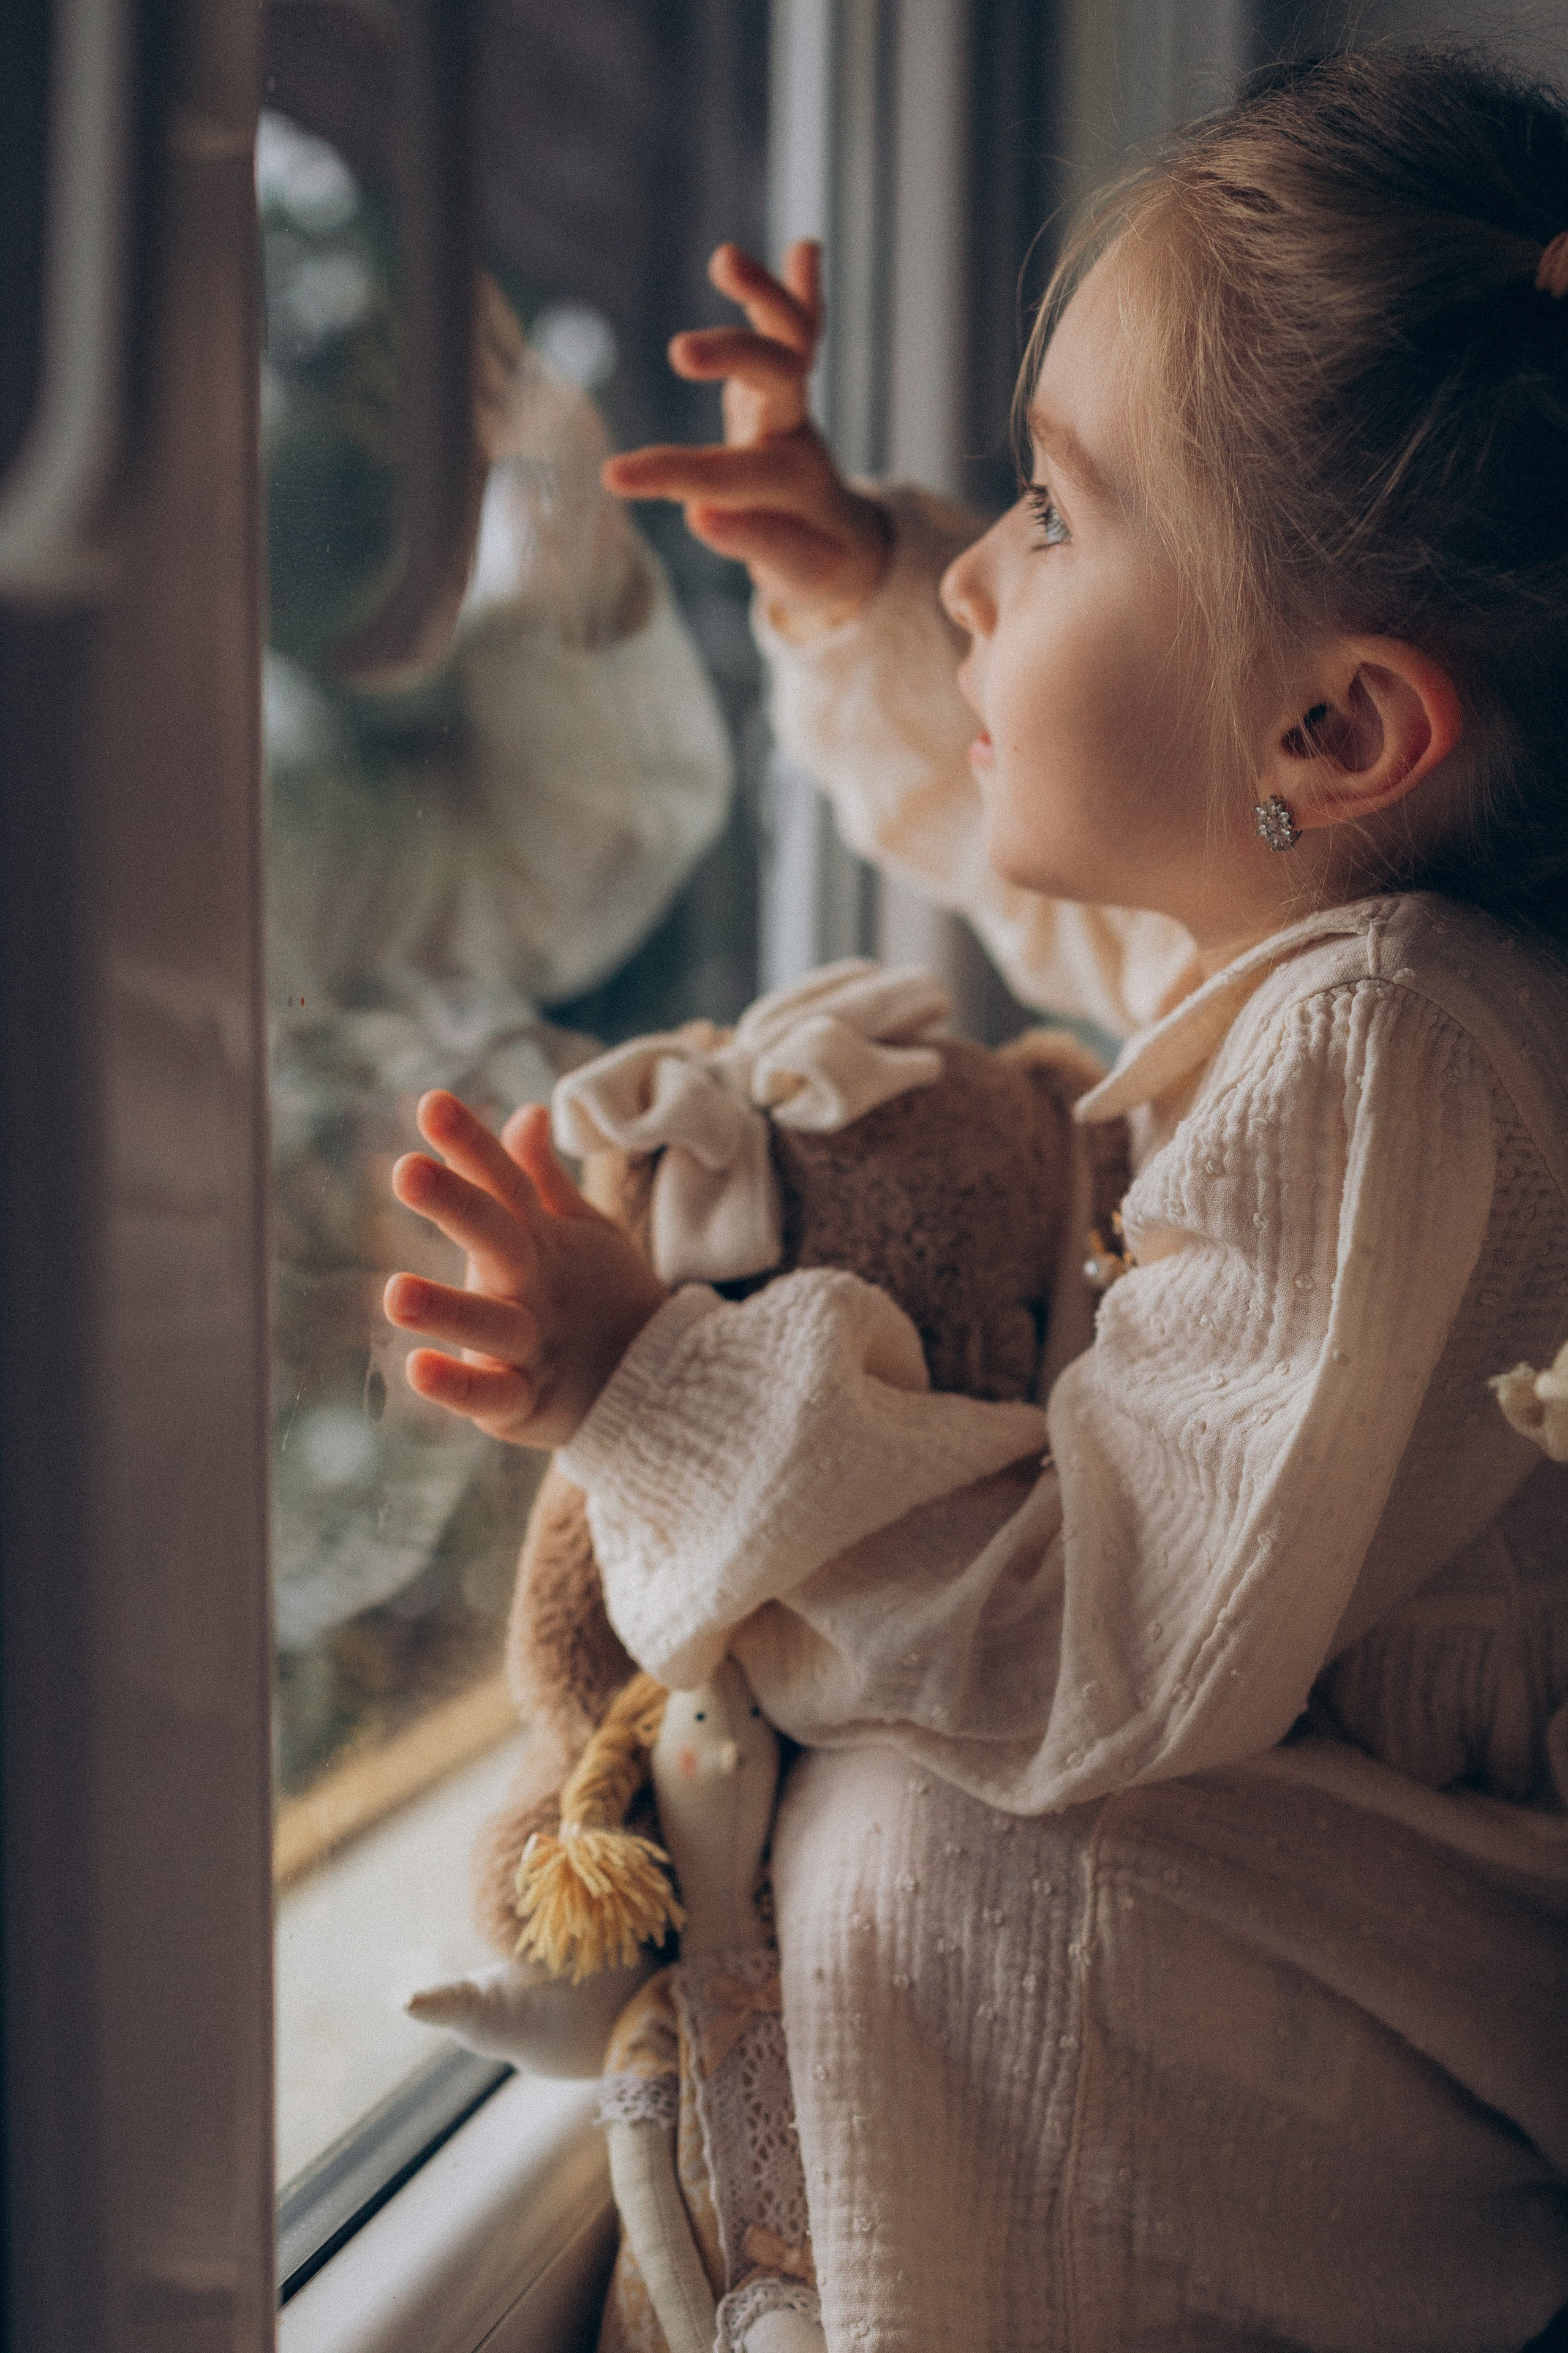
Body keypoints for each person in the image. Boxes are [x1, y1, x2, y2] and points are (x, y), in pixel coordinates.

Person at [384, 49, 1568, 2350]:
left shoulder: (1384, 1051)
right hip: (1348, 1838)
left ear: (1336, 740)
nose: (981, 579)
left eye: (1047, 511)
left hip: (1451, 1962)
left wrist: (660, 1383)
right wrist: (868, 582)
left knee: (921, 1877)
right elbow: (1138, 923)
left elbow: (1092, 1640)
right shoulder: (1371, 976)